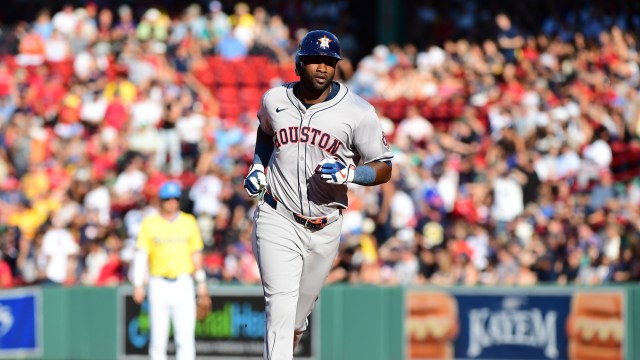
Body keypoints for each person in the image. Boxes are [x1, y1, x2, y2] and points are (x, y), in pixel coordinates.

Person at [243, 29, 393, 360]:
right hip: (278, 215)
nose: (322, 67)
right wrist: (258, 166)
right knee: (279, 311)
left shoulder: (358, 111)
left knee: (296, 319)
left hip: (326, 225)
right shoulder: (275, 99)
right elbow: (266, 131)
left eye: (329, 61)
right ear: (299, 64)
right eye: (315, 61)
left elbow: (384, 167)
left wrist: (353, 173)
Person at [131, 180, 207, 360]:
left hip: (183, 283)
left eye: (174, 198)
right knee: (158, 340)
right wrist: (138, 284)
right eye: (167, 199)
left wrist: (202, 283)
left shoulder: (188, 222)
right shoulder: (150, 223)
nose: (171, 202)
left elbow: (196, 254)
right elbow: (141, 255)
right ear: (161, 201)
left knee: (185, 339)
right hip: (158, 283)